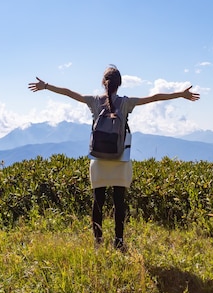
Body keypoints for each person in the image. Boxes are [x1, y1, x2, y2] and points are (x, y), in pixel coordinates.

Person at [28, 65, 200, 251]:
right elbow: (155, 97)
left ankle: (98, 242)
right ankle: (118, 242)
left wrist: (46, 86)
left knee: (98, 202)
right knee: (119, 202)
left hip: (99, 160)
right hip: (120, 159)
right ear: (120, 84)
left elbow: (69, 93)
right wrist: (180, 94)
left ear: (104, 83)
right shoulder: (126, 103)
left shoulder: (94, 101)